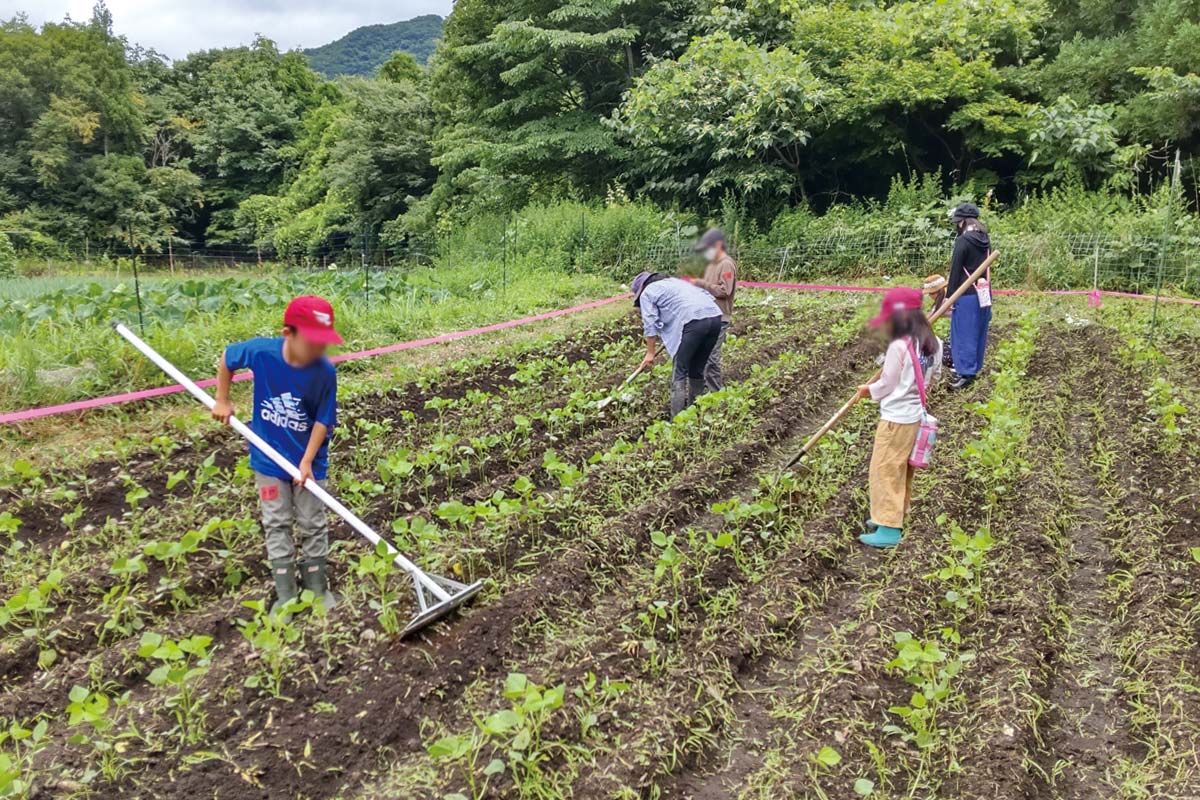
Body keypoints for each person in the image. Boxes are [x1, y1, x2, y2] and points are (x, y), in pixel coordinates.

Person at [212, 295, 342, 613]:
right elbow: (228, 357)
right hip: (268, 458)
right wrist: (222, 398)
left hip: (310, 459)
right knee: (276, 522)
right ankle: (286, 597)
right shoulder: (262, 353)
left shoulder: (324, 372)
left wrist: (307, 461)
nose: (319, 349)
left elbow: (324, 420)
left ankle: (317, 589)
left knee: (312, 522)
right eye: (312, 342)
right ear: (289, 334)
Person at [855, 287, 943, 549]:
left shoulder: (898, 345)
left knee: (884, 470)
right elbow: (935, 378)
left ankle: (889, 529)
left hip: (895, 419)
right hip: (915, 417)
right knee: (901, 470)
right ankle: (891, 515)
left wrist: (866, 391)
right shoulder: (933, 342)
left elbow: (887, 383)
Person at [631, 271, 724, 418]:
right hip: (715, 318)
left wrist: (650, 352)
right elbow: (707, 298)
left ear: (641, 288)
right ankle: (695, 413)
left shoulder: (647, 292)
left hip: (694, 322)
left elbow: (650, 323)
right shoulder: (678, 283)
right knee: (697, 369)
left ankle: (677, 419)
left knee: (680, 370)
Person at [944, 202, 992, 390]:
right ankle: (974, 368)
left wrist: (949, 298)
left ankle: (965, 374)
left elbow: (955, 270)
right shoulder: (984, 238)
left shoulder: (963, 241)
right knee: (978, 331)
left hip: (966, 294)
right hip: (983, 292)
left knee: (963, 333)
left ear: (962, 222)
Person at [688, 228, 738, 392]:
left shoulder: (726, 265)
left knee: (711, 358)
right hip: (705, 317)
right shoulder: (711, 265)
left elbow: (725, 291)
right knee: (700, 355)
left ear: (718, 245)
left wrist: (702, 284)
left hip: (719, 318)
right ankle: (702, 391)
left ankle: (716, 394)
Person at [923, 273, 954, 371]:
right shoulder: (942, 299)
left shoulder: (946, 300)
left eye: (930, 293)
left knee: (947, 354)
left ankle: (956, 368)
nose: (929, 296)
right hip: (957, 325)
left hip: (963, 326)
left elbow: (930, 318)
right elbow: (930, 315)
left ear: (937, 292)